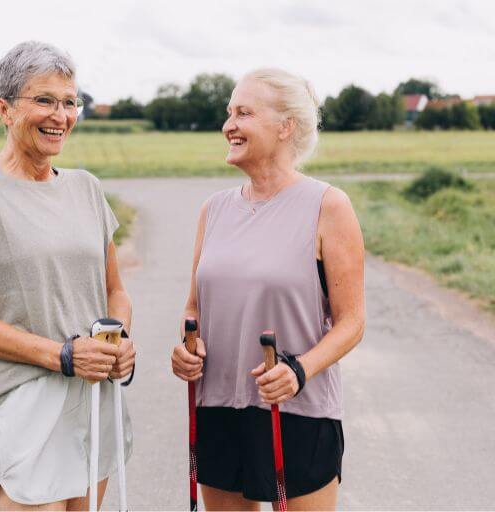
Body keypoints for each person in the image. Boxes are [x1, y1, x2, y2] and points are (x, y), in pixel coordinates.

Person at [0, 41, 135, 510]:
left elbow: (114, 290)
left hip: (93, 395)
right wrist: (61, 356)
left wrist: (120, 340)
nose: (60, 115)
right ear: (5, 109)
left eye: (70, 102)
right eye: (44, 100)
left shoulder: (86, 187)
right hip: (25, 401)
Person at [171, 68, 365, 511]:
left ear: (285, 127)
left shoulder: (328, 206)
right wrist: (187, 347)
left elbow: (352, 323)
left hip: (297, 409)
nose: (228, 125)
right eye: (228, 113)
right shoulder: (213, 210)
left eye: (243, 113)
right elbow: (193, 309)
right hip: (217, 407)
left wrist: (299, 370)